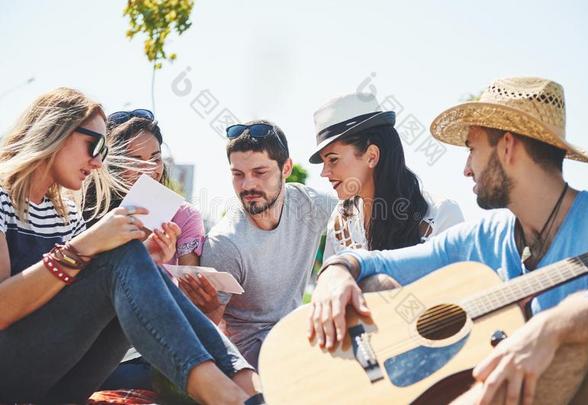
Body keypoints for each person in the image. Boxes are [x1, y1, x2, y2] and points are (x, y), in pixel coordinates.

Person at [309, 77, 588, 404]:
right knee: (378, 285)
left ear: (507, 147)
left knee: (585, 354)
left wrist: (552, 327)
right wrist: (337, 270)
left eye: (471, 150)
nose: (466, 169)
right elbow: (382, 263)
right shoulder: (487, 236)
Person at [0, 88, 261, 404]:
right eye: (93, 146)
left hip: (57, 380)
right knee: (120, 254)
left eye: (104, 152)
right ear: (56, 131)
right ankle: (228, 397)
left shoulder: (65, 211)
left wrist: (141, 263)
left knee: (130, 254)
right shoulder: (4, 199)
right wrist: (89, 245)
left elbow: (77, 296)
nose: (98, 163)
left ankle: (245, 384)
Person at [179, 120, 336, 369]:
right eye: (238, 175)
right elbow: (206, 337)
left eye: (259, 173)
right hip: (253, 361)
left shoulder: (308, 205)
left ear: (286, 168)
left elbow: (362, 211)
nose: (248, 185)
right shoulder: (226, 243)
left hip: (300, 338)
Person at [82, 110, 206, 391]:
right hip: (86, 347)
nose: (150, 169)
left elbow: (191, 294)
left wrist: (156, 266)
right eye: (135, 160)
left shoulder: (182, 216)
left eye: (155, 158)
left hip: (145, 354)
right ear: (109, 162)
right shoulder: (86, 209)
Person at [309, 93, 463, 265]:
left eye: (333, 159)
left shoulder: (441, 214)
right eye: (324, 162)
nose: (324, 172)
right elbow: (330, 288)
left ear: (372, 156)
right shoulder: (340, 222)